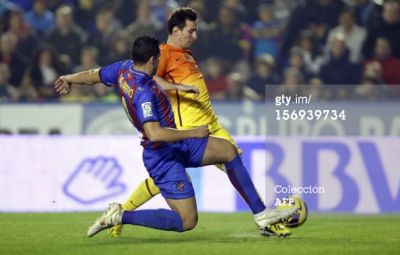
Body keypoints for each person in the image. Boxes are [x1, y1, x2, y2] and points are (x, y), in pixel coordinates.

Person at [54, 36, 298, 237]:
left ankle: (262, 215)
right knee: (186, 220)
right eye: (158, 57)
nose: (161, 59)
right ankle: (120, 215)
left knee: (227, 150)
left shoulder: (124, 69)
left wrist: (69, 79)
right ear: (152, 59)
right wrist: (194, 131)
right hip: (161, 154)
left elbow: (93, 74)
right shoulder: (143, 93)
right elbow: (153, 132)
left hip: (177, 144)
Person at [108, 7, 293, 237]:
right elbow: (150, 78)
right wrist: (176, 87)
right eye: (191, 31)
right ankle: (264, 218)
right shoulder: (163, 53)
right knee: (225, 159)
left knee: (229, 159)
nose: (195, 36)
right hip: (190, 127)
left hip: (210, 122)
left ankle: (264, 218)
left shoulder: (185, 52)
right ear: (176, 30)